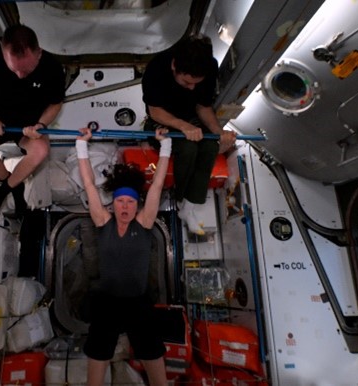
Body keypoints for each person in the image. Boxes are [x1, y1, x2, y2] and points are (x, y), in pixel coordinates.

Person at [76, 127, 169, 386]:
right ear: (112, 204)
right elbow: (88, 184)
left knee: (157, 373)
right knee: (95, 374)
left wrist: (166, 146)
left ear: (137, 205)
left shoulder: (145, 223)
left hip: (138, 303)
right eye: (120, 202)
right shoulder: (102, 222)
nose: (125, 206)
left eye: (130, 202)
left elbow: (158, 184)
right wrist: (81, 145)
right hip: (106, 305)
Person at [0, 24, 65, 225]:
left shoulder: (52, 68)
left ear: (39, 53)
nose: (20, 75)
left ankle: (6, 188)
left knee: (41, 150)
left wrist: (41, 124)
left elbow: (55, 103)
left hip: (29, 124)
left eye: (27, 70)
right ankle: (11, 183)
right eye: (14, 69)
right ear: (2, 50)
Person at [142, 34, 237, 235]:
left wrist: (220, 133)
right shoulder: (156, 68)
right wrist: (184, 127)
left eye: (196, 83)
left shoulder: (209, 67)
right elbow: (155, 111)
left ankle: (190, 206)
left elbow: (203, 106)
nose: (192, 87)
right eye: (186, 82)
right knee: (187, 148)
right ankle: (180, 199)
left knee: (210, 146)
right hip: (160, 121)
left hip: (190, 118)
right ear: (174, 66)